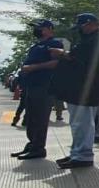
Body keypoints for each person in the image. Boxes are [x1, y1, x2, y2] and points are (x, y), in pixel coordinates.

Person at [48, 13, 99, 169]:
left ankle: (83, 155)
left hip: (87, 89)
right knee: (77, 122)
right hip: (80, 88)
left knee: (82, 122)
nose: (80, 30)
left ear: (90, 24)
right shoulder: (92, 40)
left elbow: (82, 58)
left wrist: (63, 54)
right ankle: (77, 153)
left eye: (82, 27)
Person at [10, 20, 63, 160]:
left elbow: (56, 63)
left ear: (49, 29)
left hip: (44, 85)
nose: (36, 30)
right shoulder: (36, 46)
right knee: (31, 117)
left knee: (40, 117)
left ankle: (38, 147)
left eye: (39, 28)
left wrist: (34, 67)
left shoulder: (54, 44)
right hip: (31, 85)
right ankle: (32, 144)